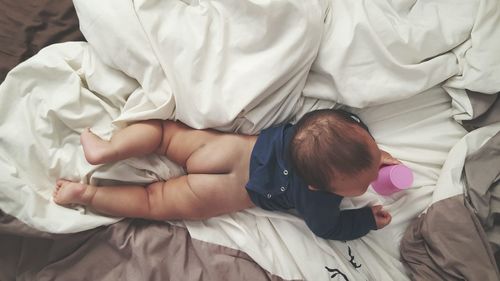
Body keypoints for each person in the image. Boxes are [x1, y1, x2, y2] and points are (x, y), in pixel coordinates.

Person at [53, 109, 399, 240]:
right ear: (314, 186)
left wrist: (370, 154)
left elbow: (347, 127)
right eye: (365, 182)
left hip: (226, 150)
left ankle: (106, 150)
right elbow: (328, 228)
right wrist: (365, 220)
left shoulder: (311, 132)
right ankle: (85, 195)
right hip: (224, 192)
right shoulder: (318, 199)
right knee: (152, 200)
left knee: (163, 135)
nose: (370, 181)